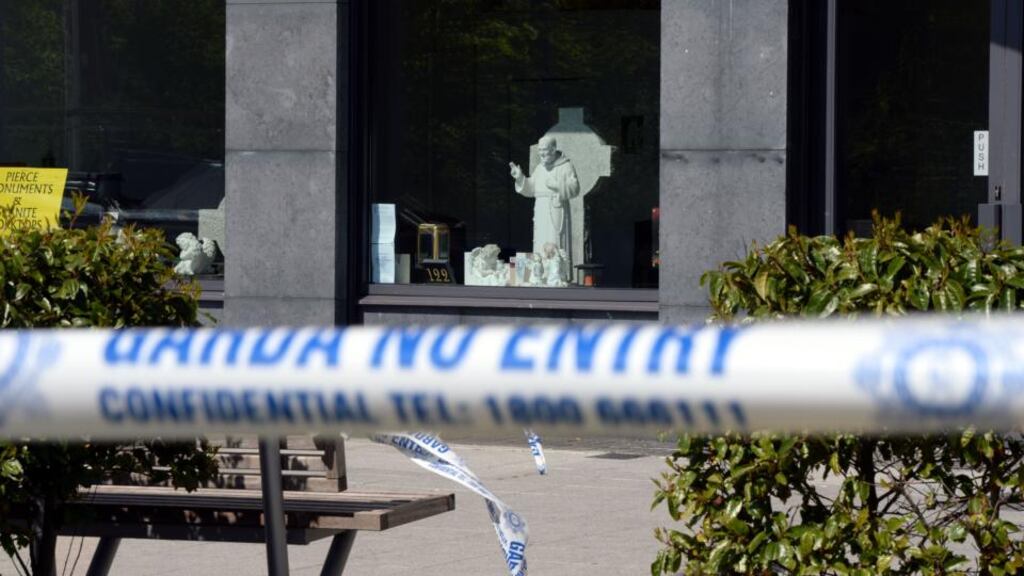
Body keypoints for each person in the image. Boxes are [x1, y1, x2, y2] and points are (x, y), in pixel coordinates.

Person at [509, 136, 581, 265]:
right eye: (540, 150)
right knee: (540, 240)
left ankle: (557, 271)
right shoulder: (539, 168)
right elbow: (531, 189)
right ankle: (539, 272)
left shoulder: (566, 166)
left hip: (556, 207)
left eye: (545, 150)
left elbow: (575, 188)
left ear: (553, 149)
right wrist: (520, 178)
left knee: (554, 240)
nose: (541, 153)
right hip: (541, 208)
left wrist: (558, 185)